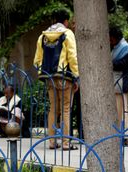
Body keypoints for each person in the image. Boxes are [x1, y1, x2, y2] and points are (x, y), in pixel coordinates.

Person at [33, 7, 79, 150]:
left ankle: (52, 142)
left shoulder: (43, 36)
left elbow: (36, 60)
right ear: (66, 21)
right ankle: (66, 143)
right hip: (64, 77)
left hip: (49, 78)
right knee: (66, 109)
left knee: (53, 109)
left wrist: (44, 71)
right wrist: (76, 76)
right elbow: (72, 57)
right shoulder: (67, 34)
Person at [109, 26, 128, 132]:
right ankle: (122, 133)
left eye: (111, 38)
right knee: (119, 111)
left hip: (121, 83)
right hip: (114, 83)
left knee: (122, 111)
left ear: (116, 37)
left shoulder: (125, 48)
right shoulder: (115, 47)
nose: (110, 40)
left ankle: (124, 134)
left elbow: (122, 65)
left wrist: (109, 64)